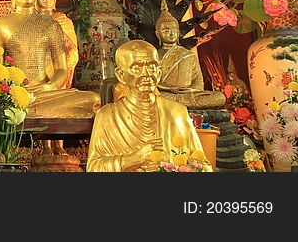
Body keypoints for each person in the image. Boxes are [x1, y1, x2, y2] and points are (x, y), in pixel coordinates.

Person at [87, 40, 210, 172]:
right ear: (121, 75)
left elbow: (204, 166)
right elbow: (94, 167)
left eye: (151, 66)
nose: (146, 74)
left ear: (158, 72)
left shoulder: (177, 112)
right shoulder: (107, 116)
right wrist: (134, 159)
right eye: (136, 67)